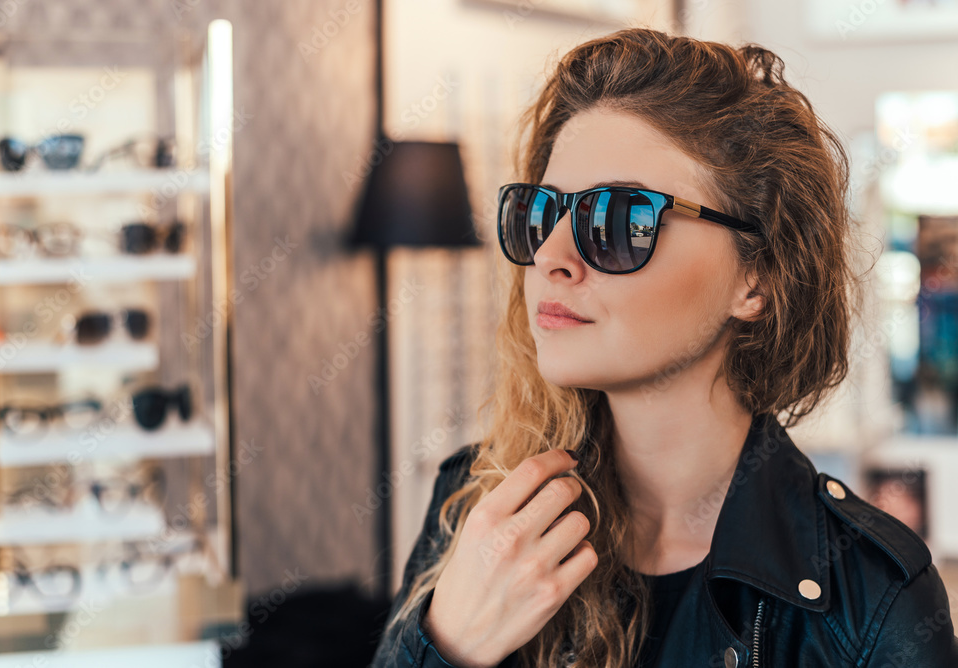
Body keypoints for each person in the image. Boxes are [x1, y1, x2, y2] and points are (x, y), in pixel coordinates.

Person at [370, 27, 958, 668]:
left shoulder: (871, 600)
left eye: (619, 221)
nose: (552, 258)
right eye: (543, 214)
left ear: (755, 278)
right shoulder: (479, 504)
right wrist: (445, 646)